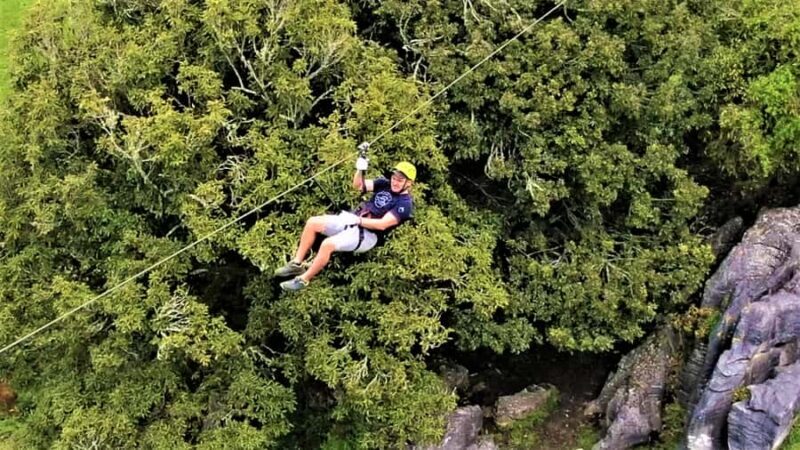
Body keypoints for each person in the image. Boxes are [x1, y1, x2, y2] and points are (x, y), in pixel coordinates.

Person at [275, 142, 416, 291]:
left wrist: (358, 220)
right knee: (313, 222)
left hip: (368, 236)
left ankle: (303, 280)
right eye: (394, 178)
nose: (395, 182)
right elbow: (358, 185)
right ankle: (296, 264)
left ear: (409, 183)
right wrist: (360, 169)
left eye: (400, 180)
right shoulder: (384, 184)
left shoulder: (404, 204)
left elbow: (383, 224)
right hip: (353, 220)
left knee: (327, 244)